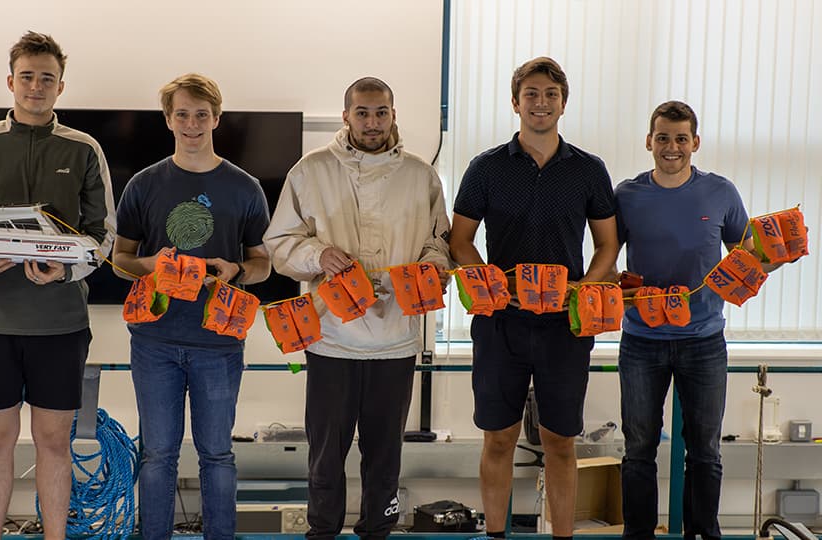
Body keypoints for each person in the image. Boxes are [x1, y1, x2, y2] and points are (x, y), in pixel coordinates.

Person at [0, 31, 115, 540]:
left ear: (61, 87)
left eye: (47, 79)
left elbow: (104, 232)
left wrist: (69, 269)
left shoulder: (83, 149)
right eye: (27, 77)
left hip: (60, 323)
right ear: (10, 81)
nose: (36, 87)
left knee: (54, 442)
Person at [263, 77, 451, 539]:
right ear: (345, 115)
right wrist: (318, 256)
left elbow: (439, 243)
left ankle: (377, 532)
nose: (372, 122)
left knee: (385, 455)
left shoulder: (420, 174)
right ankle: (322, 532)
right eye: (362, 112)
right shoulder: (311, 170)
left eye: (381, 112)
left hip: (397, 341)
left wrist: (426, 269)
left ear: (394, 114)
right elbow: (279, 243)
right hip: (331, 341)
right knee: (325, 455)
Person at [448, 57, 619, 539]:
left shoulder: (588, 170)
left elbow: (607, 245)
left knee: (560, 441)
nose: (540, 103)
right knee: (499, 438)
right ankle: (496, 534)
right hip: (501, 322)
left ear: (563, 103)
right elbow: (460, 240)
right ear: (515, 102)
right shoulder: (486, 167)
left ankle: (561, 535)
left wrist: (584, 290)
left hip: (564, 326)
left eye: (550, 94)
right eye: (531, 94)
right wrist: (486, 283)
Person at [614, 101, 785, 540]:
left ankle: (704, 534)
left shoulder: (720, 193)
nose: (672, 147)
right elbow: (604, 260)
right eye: (663, 138)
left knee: (705, 451)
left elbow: (750, 254)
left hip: (704, 340)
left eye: (681, 139)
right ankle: (638, 535)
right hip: (641, 341)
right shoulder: (627, 196)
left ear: (696, 143)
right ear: (649, 142)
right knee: (638, 450)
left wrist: (774, 257)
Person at [112, 73, 271, 540]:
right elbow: (120, 260)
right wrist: (150, 265)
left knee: (217, 454)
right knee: (157, 453)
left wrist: (235, 271)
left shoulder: (245, 188)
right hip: (154, 341)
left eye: (202, 114)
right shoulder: (143, 184)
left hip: (219, 343)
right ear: (168, 120)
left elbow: (263, 264)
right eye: (182, 113)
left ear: (216, 118)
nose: (192, 123)